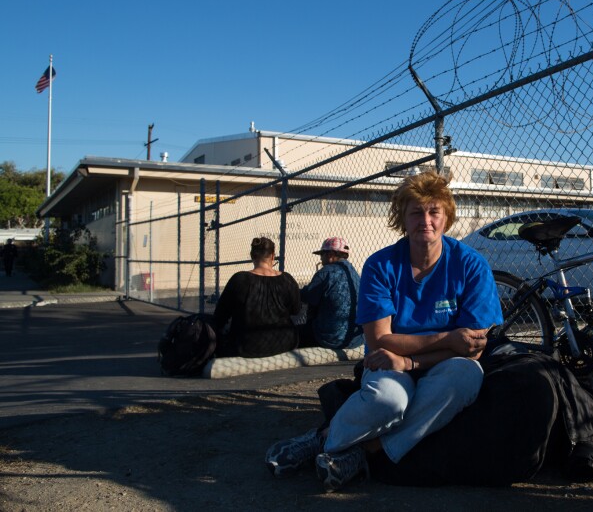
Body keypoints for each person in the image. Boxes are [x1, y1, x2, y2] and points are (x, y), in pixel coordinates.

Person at [265, 170, 503, 491]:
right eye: (416, 212)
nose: (426, 220)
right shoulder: (381, 265)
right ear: (402, 217)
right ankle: (323, 438)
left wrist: (410, 362)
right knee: (390, 400)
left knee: (466, 376)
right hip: (389, 362)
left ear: (447, 217)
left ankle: (365, 452)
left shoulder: (470, 264)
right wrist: (448, 338)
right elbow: (380, 341)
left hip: (432, 365)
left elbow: (473, 348)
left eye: (435, 212)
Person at [211, 237, 302, 358]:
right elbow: (296, 310)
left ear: (252, 256)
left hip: (246, 345)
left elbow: (220, 315)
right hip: (284, 342)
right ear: (273, 256)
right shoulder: (287, 279)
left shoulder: (239, 279)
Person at [298, 236, 362, 350]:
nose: (321, 259)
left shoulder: (325, 272)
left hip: (330, 337)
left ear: (330, 255)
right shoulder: (354, 273)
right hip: (355, 338)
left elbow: (308, 297)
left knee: (296, 331)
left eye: (322, 254)